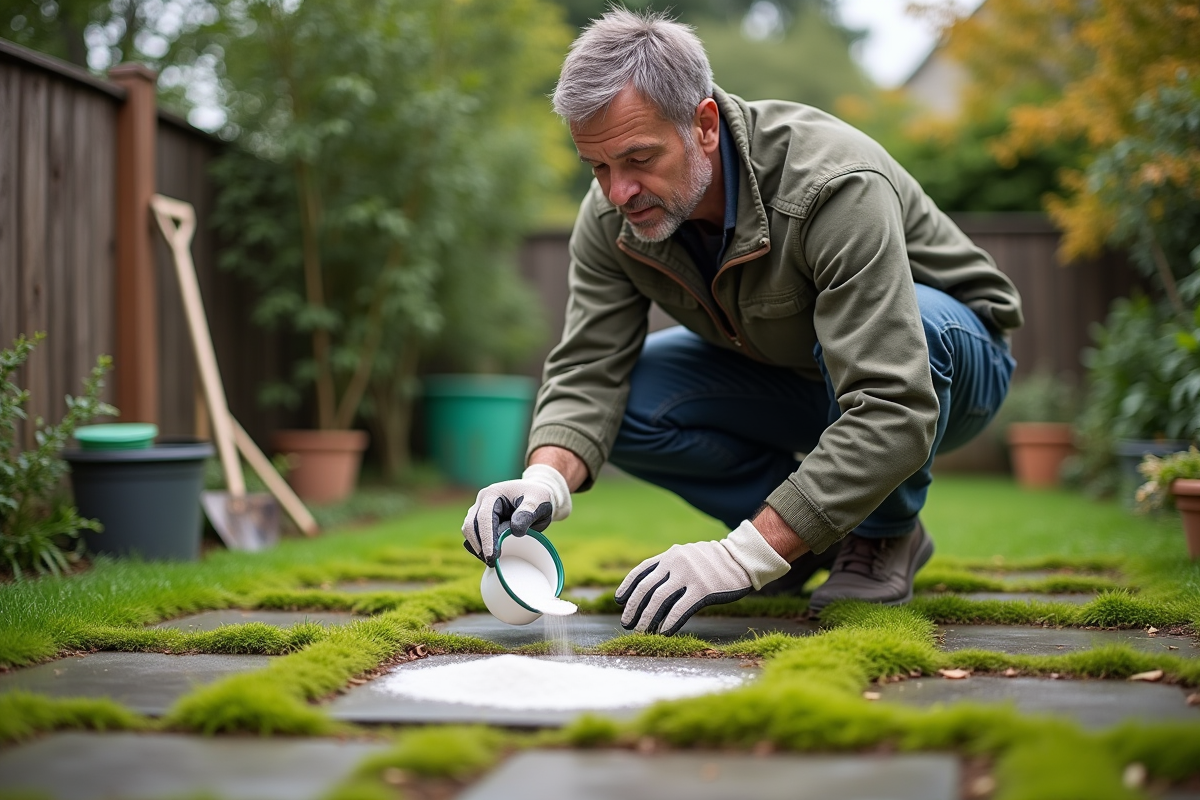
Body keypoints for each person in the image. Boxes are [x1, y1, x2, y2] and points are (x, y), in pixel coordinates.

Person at [461, 8, 1021, 636]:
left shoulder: (833, 184)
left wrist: (739, 556)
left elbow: (893, 399)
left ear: (702, 125)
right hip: (801, 374)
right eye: (598, 166)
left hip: (946, 366)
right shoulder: (610, 218)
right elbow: (590, 368)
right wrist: (544, 479)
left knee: (911, 327)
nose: (618, 191)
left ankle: (884, 534)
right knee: (633, 402)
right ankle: (813, 534)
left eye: (638, 158)